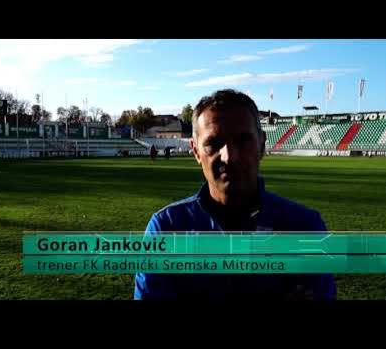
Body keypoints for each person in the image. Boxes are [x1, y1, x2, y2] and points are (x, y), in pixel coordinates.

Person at [134, 89, 336, 300]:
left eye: (242, 140)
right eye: (213, 143)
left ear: (262, 145)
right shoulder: (167, 228)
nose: (229, 156)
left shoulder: (304, 227)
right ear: (195, 151)